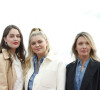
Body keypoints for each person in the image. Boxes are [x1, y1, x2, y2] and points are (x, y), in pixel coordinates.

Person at [0, 25, 25, 90]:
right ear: (5, 39)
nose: (15, 39)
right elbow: (2, 86)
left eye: (18, 36)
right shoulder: (1, 58)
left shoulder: (20, 59)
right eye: (11, 36)